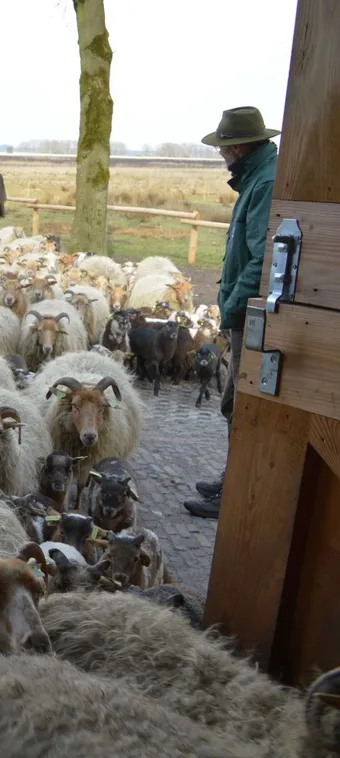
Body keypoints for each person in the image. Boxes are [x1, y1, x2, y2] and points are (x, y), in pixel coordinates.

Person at [183, 106, 279, 521]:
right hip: (243, 311)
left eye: (224, 148)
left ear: (238, 147)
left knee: (239, 404)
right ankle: (232, 477)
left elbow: (262, 256)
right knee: (233, 401)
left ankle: (236, 493)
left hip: (249, 315)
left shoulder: (265, 183)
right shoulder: (257, 178)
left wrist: (234, 304)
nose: (222, 155)